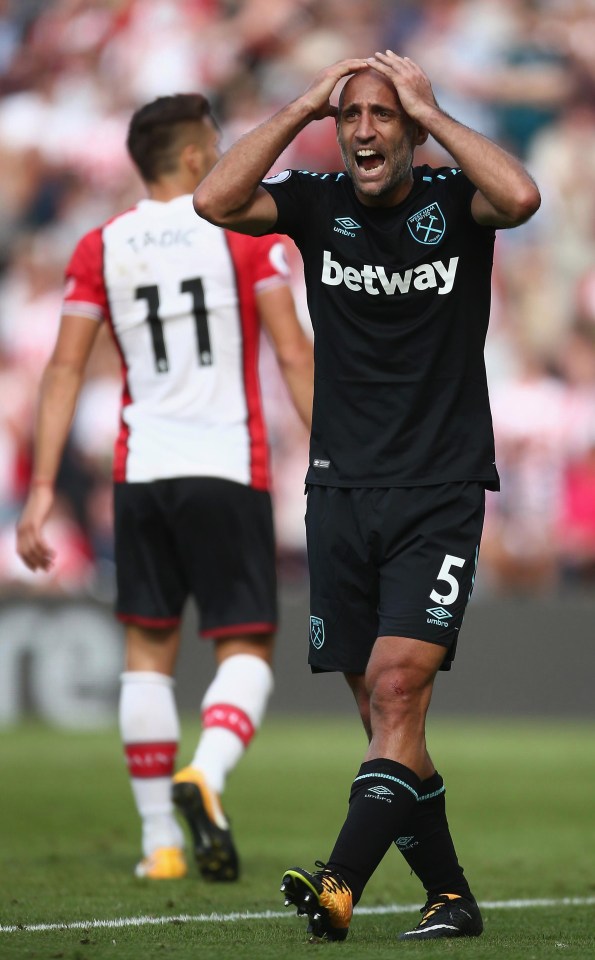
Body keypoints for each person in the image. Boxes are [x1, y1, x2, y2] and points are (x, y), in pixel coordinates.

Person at [192, 52, 540, 939]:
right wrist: (305, 97)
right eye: (350, 117)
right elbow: (214, 199)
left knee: (394, 690)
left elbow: (522, 197)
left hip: (440, 488)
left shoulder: (455, 201)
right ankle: (452, 899)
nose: (363, 130)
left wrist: (435, 110)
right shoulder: (315, 202)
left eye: (383, 115)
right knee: (388, 723)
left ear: (412, 127)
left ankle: (339, 885)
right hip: (340, 491)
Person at [16, 93, 313, 882]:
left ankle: (160, 846)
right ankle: (204, 774)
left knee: (147, 653)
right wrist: (336, 456)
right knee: (245, 644)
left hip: (140, 472)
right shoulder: (245, 231)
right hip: (226, 466)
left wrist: (41, 488)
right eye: (215, 147)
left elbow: (64, 369)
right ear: (191, 159)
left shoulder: (99, 245)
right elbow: (292, 356)